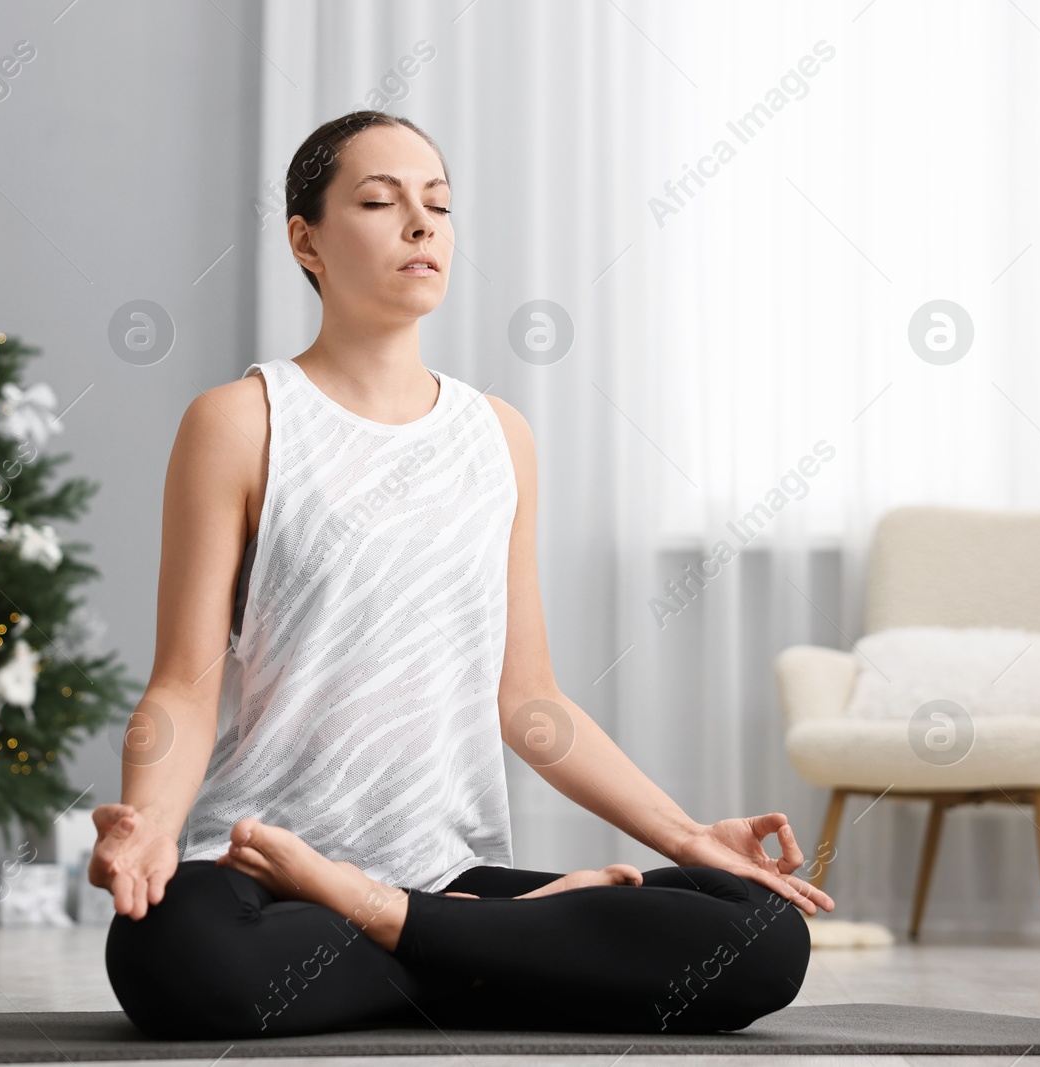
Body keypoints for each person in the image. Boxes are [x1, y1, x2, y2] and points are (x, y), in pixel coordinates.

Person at [92, 110, 833, 1040]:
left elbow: (529, 701)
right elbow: (184, 683)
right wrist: (153, 821)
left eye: (438, 205)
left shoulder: (498, 436)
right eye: (379, 200)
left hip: (445, 875)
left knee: (762, 936)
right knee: (176, 960)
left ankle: (403, 922)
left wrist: (686, 837)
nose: (421, 225)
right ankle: (496, 952)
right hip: (265, 873)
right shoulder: (241, 421)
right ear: (305, 240)